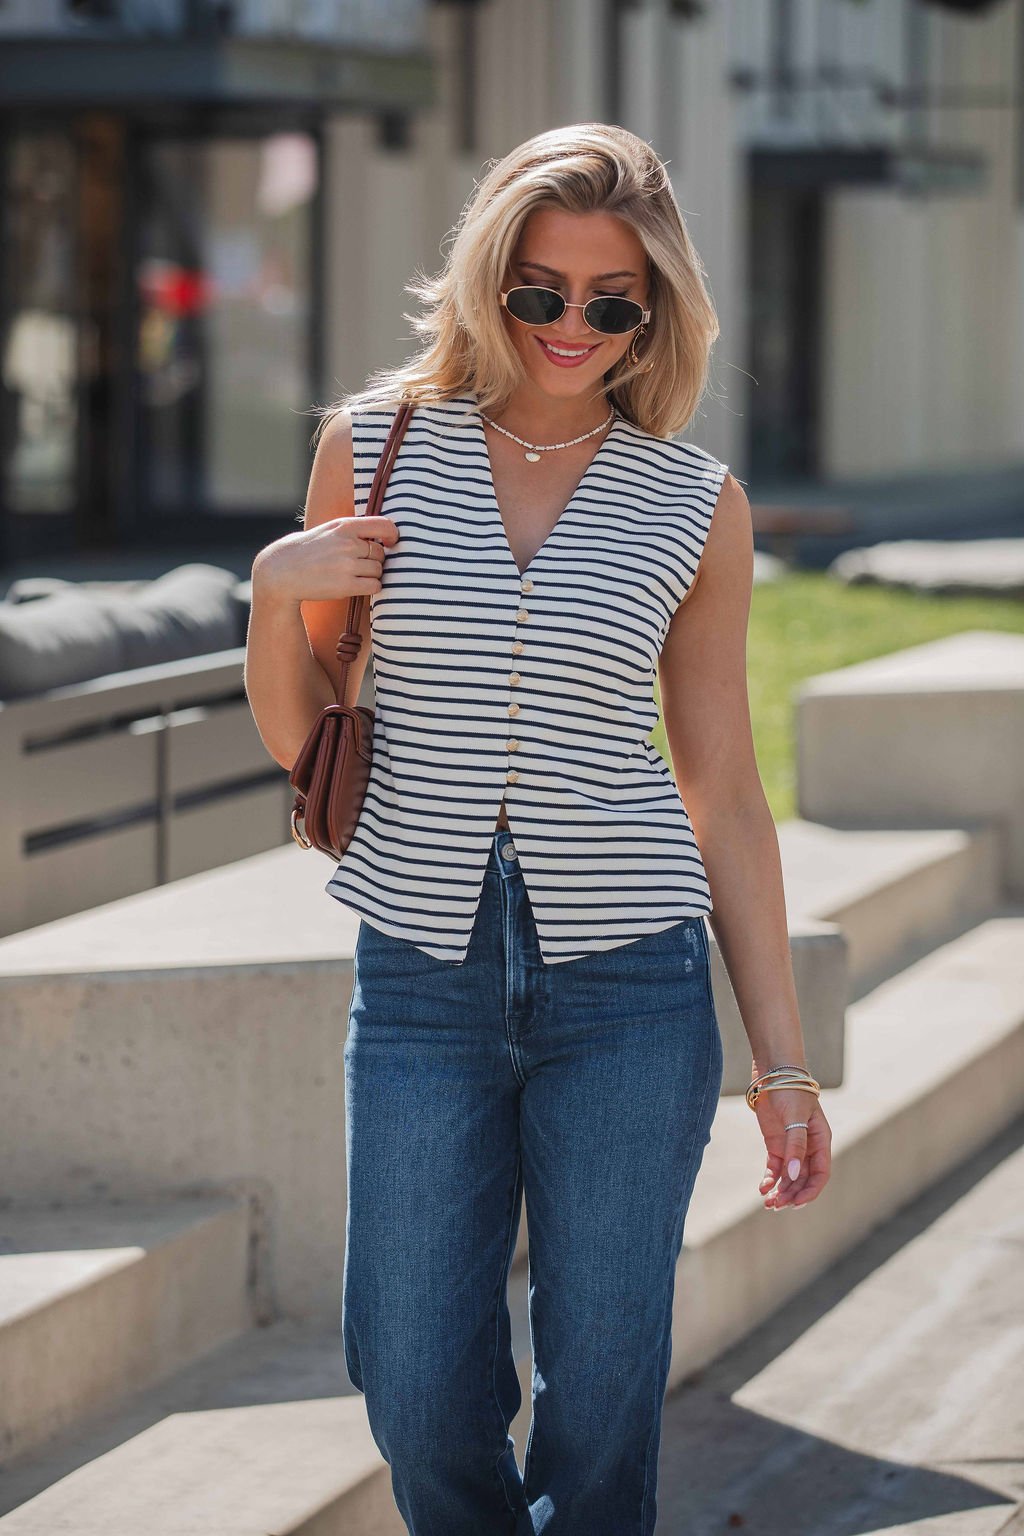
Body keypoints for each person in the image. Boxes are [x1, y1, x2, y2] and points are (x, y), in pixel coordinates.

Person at [245, 121, 833, 1536]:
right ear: (488, 284)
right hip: (421, 972)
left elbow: (723, 791)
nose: (573, 326)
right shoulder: (375, 446)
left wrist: (786, 1064)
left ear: (653, 310)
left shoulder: (695, 502)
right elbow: (305, 731)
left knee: (606, 1379)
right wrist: (275, 589)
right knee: (409, 1366)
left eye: (611, 301)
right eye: (540, 291)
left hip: (629, 979)